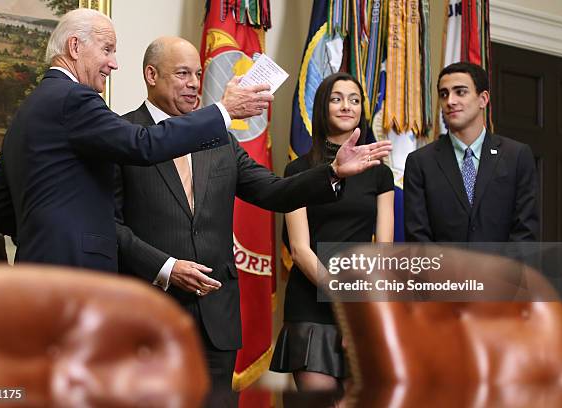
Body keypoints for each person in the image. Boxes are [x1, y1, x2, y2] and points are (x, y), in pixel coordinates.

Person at [114, 37, 392, 397]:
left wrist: (332, 172)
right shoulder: (124, 136)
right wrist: (165, 267)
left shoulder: (219, 140)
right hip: (149, 312)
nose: (195, 84)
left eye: (198, 74)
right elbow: (111, 226)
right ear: (151, 75)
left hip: (217, 318)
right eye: (182, 73)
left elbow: (274, 192)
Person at [0, 8, 272, 272]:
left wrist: (45, 238)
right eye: (107, 50)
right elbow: (143, 144)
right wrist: (224, 111)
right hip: (76, 275)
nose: (114, 63)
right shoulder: (74, 98)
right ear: (74, 47)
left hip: (33, 271)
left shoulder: (26, 111)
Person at [269, 73, 394, 391]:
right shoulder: (298, 171)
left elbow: (384, 248)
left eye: (354, 99)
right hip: (311, 304)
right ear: (322, 106)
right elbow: (299, 250)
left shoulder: (380, 173)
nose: (346, 106)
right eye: (337, 98)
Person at [403, 62, 539, 242]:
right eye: (444, 94)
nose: (450, 101)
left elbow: (525, 231)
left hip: (503, 269)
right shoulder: (420, 162)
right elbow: (417, 236)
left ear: (483, 99)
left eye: (460, 92)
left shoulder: (516, 156)